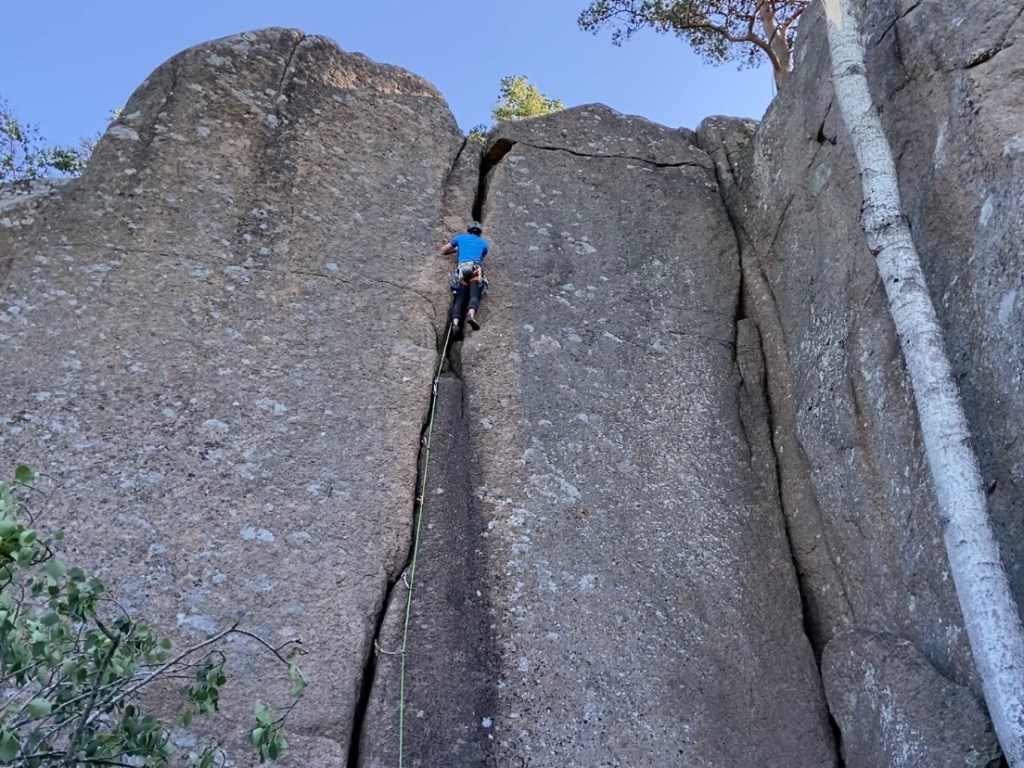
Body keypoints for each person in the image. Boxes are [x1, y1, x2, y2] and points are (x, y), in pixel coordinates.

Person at [441, 220, 489, 335]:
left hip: (462, 270)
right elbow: (481, 257)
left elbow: (443, 250)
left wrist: (457, 249)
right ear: (479, 233)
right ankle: (471, 316)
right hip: (475, 269)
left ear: (468, 231)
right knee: (474, 295)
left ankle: (455, 324)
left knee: (459, 300)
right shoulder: (484, 244)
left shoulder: (460, 238)